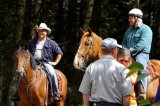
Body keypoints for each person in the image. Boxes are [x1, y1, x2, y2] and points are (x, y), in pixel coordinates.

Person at [10, 23, 63, 102]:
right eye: (40, 31)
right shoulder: (32, 42)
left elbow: (59, 53)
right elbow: (27, 53)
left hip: (46, 63)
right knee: (22, 75)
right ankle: (17, 93)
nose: (41, 32)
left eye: (43, 31)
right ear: (37, 32)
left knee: (52, 73)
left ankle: (56, 93)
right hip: (34, 63)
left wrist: (55, 62)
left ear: (46, 32)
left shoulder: (52, 43)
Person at [79, 38, 133, 106]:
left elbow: (85, 93)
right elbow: (126, 96)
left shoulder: (91, 67)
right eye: (117, 49)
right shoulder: (122, 69)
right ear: (114, 50)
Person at [121, 8, 153, 101]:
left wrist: (130, 50)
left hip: (141, 54)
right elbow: (124, 43)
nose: (128, 19)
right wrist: (124, 49)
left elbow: (142, 44)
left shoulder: (146, 30)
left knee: (140, 66)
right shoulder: (128, 31)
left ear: (136, 18)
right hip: (127, 54)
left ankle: (142, 92)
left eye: (130, 18)